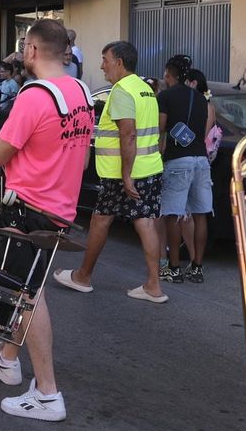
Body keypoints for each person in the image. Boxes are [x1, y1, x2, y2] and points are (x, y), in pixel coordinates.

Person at [0, 19, 95, 422]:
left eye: (24, 47)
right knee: (29, 286)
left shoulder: (35, 95)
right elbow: (81, 154)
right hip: (60, 204)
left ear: (33, 50)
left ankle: (47, 393)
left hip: (28, 206)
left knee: (26, 295)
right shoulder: (81, 92)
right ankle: (6, 358)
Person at [55, 41, 166, 303]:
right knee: (146, 222)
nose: (101, 65)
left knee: (100, 220)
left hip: (122, 174)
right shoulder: (145, 89)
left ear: (119, 62)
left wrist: (126, 176)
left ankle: (83, 276)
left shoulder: (121, 91)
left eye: (105, 59)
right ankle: (153, 286)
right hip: (149, 168)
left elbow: (128, 135)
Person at [157, 59, 215, 285]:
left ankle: (174, 268)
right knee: (201, 214)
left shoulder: (166, 96)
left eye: (166, 75)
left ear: (170, 75)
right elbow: (202, 129)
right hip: (201, 160)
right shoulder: (201, 99)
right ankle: (197, 267)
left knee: (173, 214)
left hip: (177, 160)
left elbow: (161, 127)